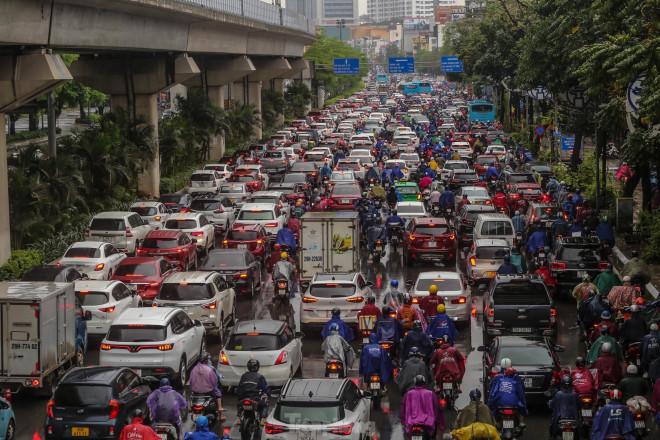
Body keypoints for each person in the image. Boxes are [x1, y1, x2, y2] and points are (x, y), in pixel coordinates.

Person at [487, 359, 527, 432]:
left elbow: (492, 391)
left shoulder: (498, 379)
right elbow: (521, 392)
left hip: (499, 402)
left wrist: (491, 401)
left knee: (491, 408)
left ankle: (492, 425)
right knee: (522, 406)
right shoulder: (515, 378)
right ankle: (521, 423)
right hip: (514, 403)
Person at [190, 352, 225, 419]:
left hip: (196, 391)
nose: (209, 360)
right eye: (209, 359)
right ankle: (220, 412)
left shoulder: (194, 369)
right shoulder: (210, 369)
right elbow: (215, 381)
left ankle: (190, 407)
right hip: (208, 391)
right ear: (206, 360)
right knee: (218, 393)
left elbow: (191, 381)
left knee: (192, 395)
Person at [235, 359, 270, 426]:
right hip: (255, 398)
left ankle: (239, 419)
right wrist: (268, 393)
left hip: (243, 398)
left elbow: (239, 387)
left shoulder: (244, 375)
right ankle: (262, 420)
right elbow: (265, 388)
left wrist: (237, 392)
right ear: (258, 367)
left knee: (239, 405)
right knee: (265, 406)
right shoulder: (260, 377)